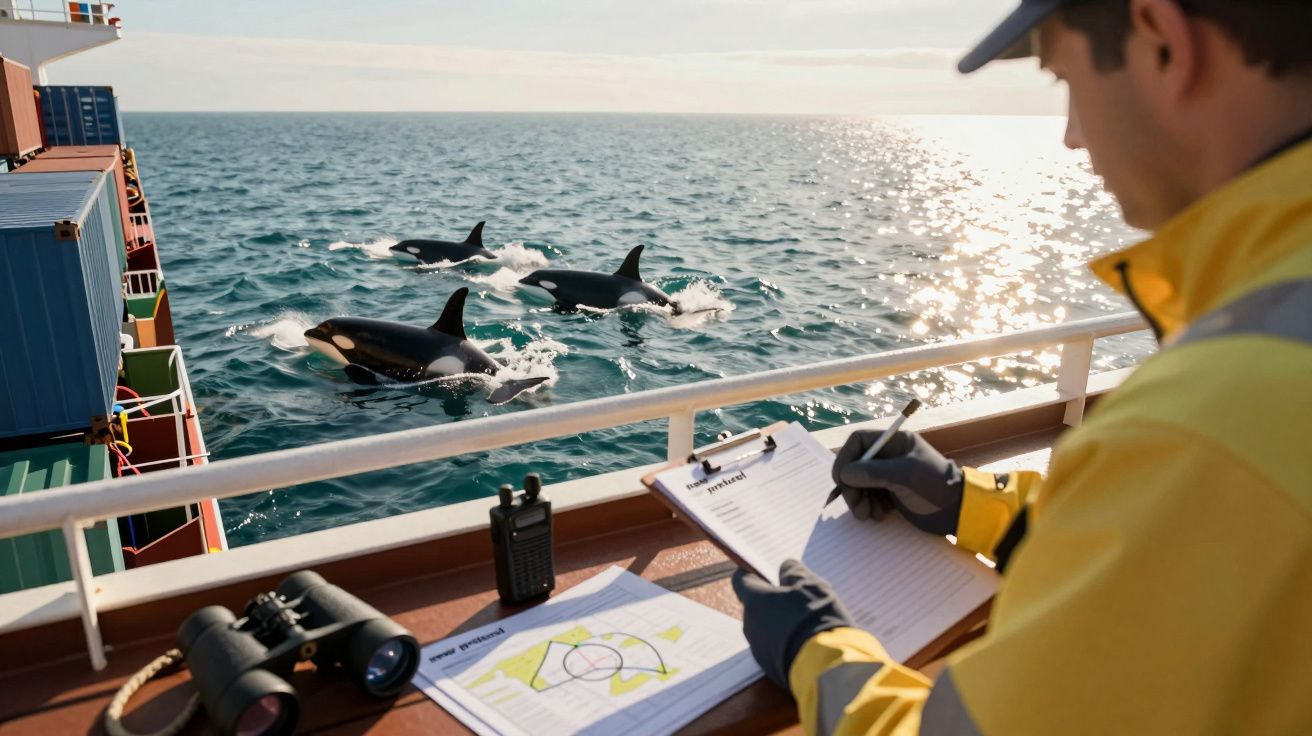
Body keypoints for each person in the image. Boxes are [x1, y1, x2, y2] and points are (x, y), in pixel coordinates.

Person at [732, 1, 1312, 733]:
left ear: (1163, 41)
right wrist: (966, 501)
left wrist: (816, 652)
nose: (1070, 136)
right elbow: (1208, 559)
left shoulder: (1208, 433)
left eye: (1065, 78)